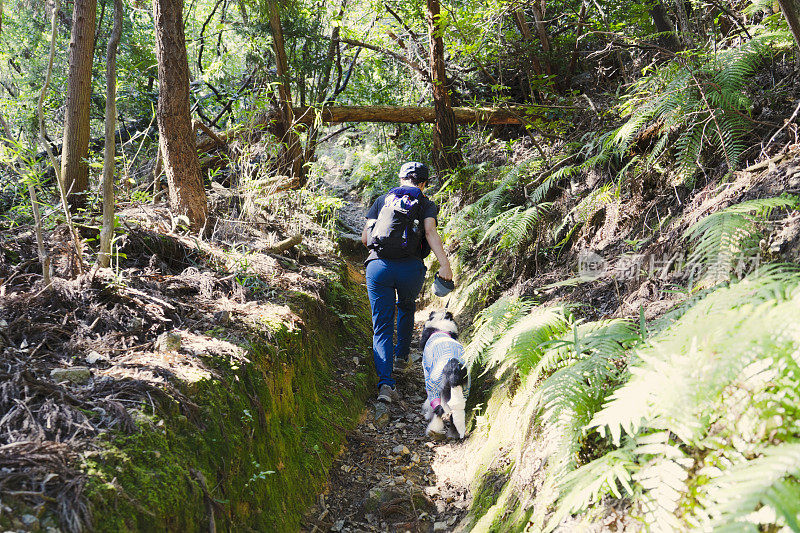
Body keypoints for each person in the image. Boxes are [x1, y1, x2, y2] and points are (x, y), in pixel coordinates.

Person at [361, 161, 454, 403]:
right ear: (423, 183)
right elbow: (431, 233)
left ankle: (385, 385)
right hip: (411, 269)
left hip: (378, 267)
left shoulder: (382, 200)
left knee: (381, 326)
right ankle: (401, 358)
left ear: (401, 179)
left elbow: (365, 238)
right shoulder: (426, 203)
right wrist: (444, 264)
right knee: (405, 306)